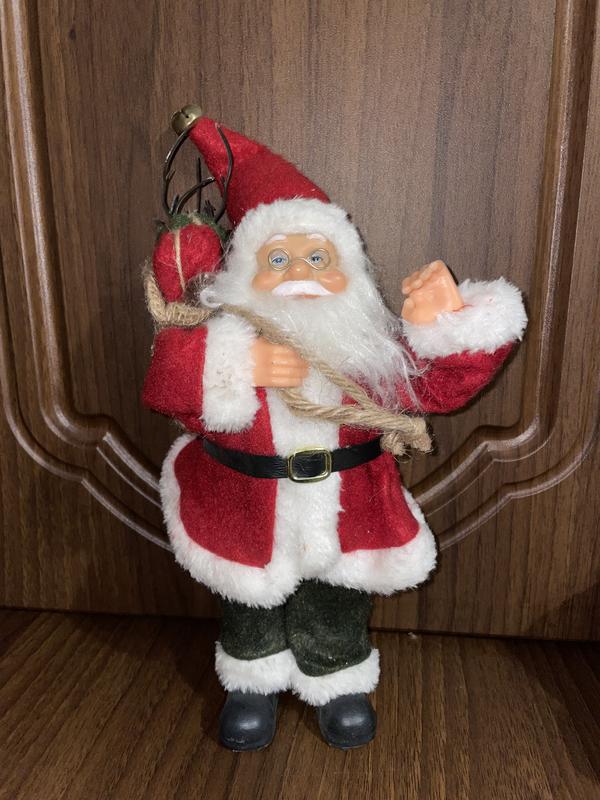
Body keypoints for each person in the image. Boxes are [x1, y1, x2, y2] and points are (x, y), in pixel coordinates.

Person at [142, 110, 527, 751]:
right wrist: (235, 365)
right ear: (244, 274)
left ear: (349, 270)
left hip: (350, 513)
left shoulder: (367, 350)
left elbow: (438, 387)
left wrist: (451, 319)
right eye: (279, 258)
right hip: (243, 507)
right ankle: (251, 678)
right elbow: (168, 393)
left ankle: (336, 675)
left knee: (338, 601)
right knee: (248, 602)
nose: (299, 272)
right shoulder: (224, 340)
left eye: (318, 257)